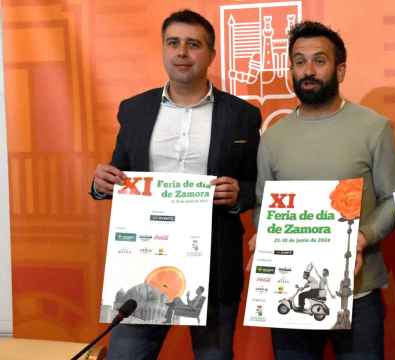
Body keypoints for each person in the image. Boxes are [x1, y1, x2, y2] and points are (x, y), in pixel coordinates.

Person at [90, 9, 261, 360]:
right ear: (164, 50)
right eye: (173, 43)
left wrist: (238, 195)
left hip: (214, 261)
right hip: (143, 261)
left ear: (211, 54)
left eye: (193, 44)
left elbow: (255, 183)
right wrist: (101, 182)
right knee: (126, 354)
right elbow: (119, 173)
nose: (182, 52)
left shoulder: (242, 115)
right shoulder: (134, 109)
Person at [250, 20, 395, 360]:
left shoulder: (374, 128)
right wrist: (264, 234)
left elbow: (393, 200)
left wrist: (360, 238)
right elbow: (263, 205)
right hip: (291, 287)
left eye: (319, 60)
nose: (308, 70)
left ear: (341, 69)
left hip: (358, 291)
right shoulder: (273, 137)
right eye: (299, 61)